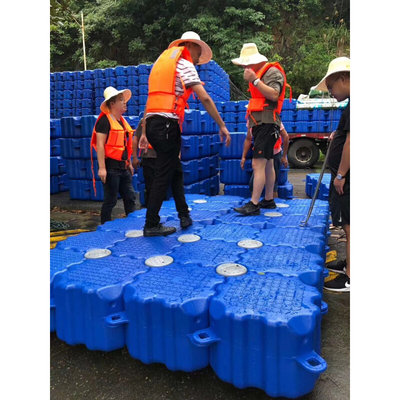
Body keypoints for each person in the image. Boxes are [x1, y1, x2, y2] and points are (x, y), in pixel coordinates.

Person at [139, 31, 231, 237]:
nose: (199, 59)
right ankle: (151, 223)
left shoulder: (161, 65)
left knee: (175, 170)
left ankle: (183, 215)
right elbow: (205, 98)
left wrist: (145, 131)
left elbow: (150, 101)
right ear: (192, 46)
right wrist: (221, 125)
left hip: (155, 124)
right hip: (166, 125)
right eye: (199, 52)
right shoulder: (185, 64)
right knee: (163, 174)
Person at [232, 43, 290, 215]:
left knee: (258, 164)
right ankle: (269, 199)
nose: (244, 67)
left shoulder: (271, 72)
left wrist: (255, 80)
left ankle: (254, 203)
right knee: (269, 163)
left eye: (245, 63)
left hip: (267, 124)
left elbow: (274, 94)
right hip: (261, 125)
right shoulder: (259, 73)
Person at [316, 57, 350, 292]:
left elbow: (352, 140)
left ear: (344, 78)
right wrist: (336, 135)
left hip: (348, 176)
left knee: (350, 224)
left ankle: (351, 277)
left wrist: (341, 174)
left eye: (331, 87)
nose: (330, 92)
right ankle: (349, 263)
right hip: (347, 174)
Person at [90, 86, 136, 224]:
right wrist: (102, 168)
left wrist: (128, 163)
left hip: (123, 167)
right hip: (110, 168)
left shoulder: (122, 121)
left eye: (124, 99)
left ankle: (131, 223)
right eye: (120, 100)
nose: (124, 102)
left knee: (130, 197)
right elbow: (100, 145)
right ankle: (104, 226)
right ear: (112, 104)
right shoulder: (104, 121)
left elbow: (123, 144)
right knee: (110, 200)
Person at [243, 122, 289, 198]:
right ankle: (255, 202)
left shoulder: (273, 119)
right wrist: (243, 157)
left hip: (274, 153)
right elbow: (248, 139)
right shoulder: (252, 119)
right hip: (261, 153)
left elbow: (286, 137)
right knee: (254, 183)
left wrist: (284, 156)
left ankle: (268, 202)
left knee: (273, 186)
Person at [132, 118, 156, 207]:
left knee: (160, 187)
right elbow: (135, 140)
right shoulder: (144, 121)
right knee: (150, 187)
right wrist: (134, 157)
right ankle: (149, 211)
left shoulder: (166, 119)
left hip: (162, 159)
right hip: (148, 158)